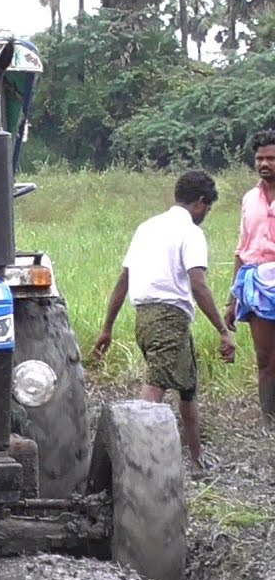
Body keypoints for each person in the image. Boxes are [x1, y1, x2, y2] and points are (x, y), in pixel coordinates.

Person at [92, 170, 235, 474]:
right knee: (153, 393)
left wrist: (108, 328)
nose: (206, 215)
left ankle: (197, 460)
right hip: (167, 318)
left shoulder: (147, 227)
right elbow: (198, 284)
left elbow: (124, 280)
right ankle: (136, 466)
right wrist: (223, 331)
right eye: (207, 209)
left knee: (188, 387)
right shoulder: (191, 233)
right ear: (200, 203)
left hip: (145, 318)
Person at [226, 129, 275, 422]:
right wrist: (231, 299)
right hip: (257, 282)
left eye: (271, 158)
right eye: (260, 158)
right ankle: (268, 417)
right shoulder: (249, 199)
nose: (265, 164)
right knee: (265, 358)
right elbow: (241, 250)